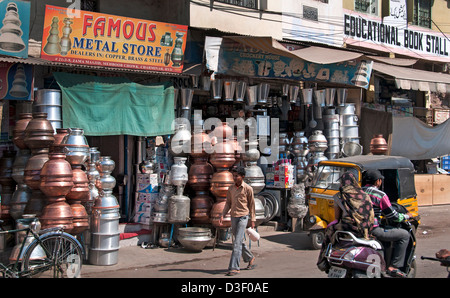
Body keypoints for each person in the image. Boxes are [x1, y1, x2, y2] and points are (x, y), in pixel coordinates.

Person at [317, 171, 374, 271]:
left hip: (347, 227)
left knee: (329, 232)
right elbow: (370, 215)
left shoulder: (339, 196)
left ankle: (323, 261)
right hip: (364, 229)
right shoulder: (365, 196)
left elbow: (337, 217)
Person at [362, 169, 412, 278]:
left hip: (358, 229)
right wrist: (407, 216)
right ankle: (394, 266)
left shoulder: (358, 192)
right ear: (378, 181)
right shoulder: (379, 195)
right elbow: (392, 216)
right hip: (373, 229)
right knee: (404, 235)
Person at [219, 166, 256, 276]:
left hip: (243, 217)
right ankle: (250, 257)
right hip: (233, 217)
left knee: (236, 243)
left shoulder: (248, 189)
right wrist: (223, 214)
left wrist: (253, 220)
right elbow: (228, 203)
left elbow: (252, 205)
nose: (234, 178)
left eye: (236, 176)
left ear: (242, 177)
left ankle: (234, 267)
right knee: (239, 241)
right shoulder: (231, 189)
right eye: (233, 176)